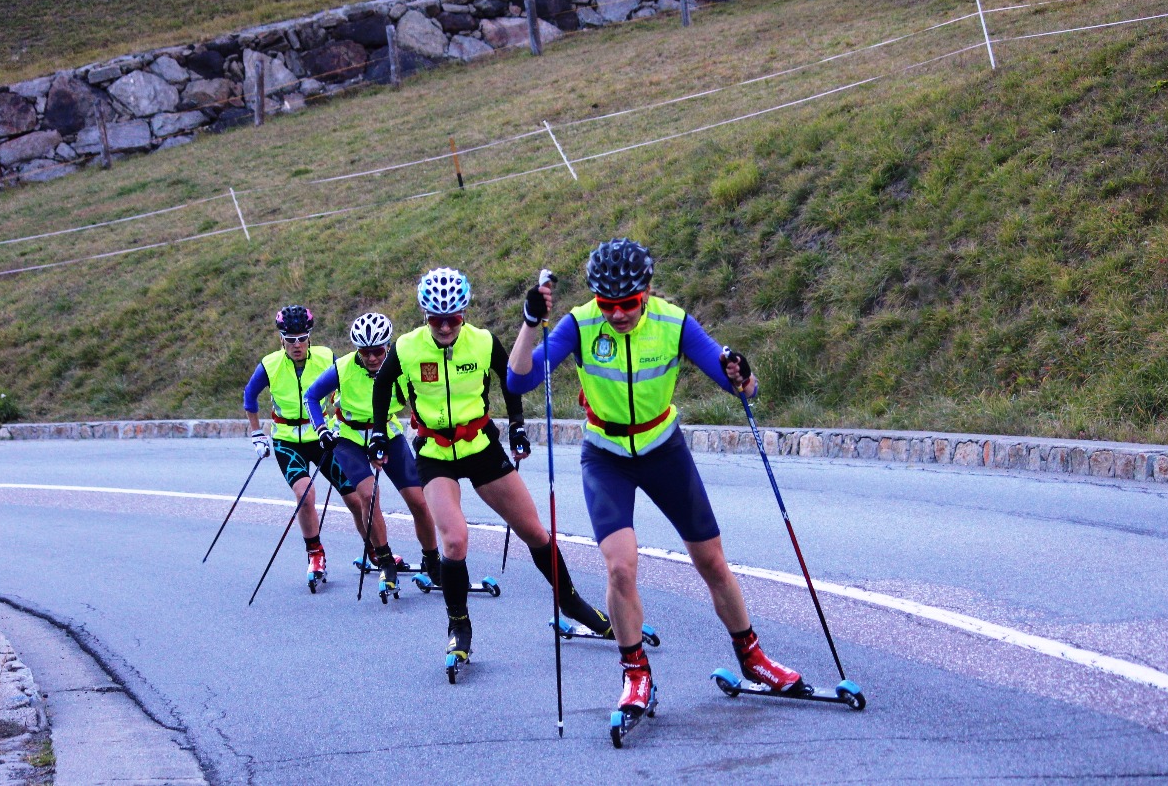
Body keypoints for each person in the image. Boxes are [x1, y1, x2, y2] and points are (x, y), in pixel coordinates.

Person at [507, 239, 807, 717]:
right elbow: (520, 380)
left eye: (628, 304)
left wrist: (743, 376)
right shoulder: (581, 324)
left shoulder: (673, 321)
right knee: (620, 566)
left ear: (646, 291)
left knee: (711, 561)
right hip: (606, 456)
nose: (619, 314)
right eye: (609, 305)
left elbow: (737, 384)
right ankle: (636, 675)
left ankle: (752, 659)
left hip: (663, 449)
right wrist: (528, 324)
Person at [368, 267, 612, 664]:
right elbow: (381, 387)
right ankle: (459, 624)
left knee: (534, 530)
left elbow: (511, 379)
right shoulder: (408, 347)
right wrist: (378, 431)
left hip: (480, 446)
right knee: (455, 540)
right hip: (434, 452)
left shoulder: (482, 342)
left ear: (464, 313)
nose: (445, 327)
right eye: (436, 319)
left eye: (454, 318)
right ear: (424, 315)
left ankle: (571, 603)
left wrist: (517, 426)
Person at [303, 312, 442, 594]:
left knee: (419, 500)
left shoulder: (400, 367)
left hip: (387, 433)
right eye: (364, 352)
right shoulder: (343, 368)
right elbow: (311, 396)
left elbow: (421, 399)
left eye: (378, 351)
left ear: (387, 347)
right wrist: (321, 429)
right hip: (350, 436)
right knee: (368, 495)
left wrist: (424, 428)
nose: (372, 358)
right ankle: (385, 560)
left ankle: (432, 558)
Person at [243, 305, 354, 592]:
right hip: (288, 440)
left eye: (301, 338)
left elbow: (347, 387)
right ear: (281, 339)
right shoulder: (269, 364)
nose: (296, 345)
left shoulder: (328, 357)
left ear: (310, 337)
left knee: (356, 495)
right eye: (289, 339)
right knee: (306, 495)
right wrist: (257, 434)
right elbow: (250, 395)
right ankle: (315, 555)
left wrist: (339, 419)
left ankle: (380, 552)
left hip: (322, 436)